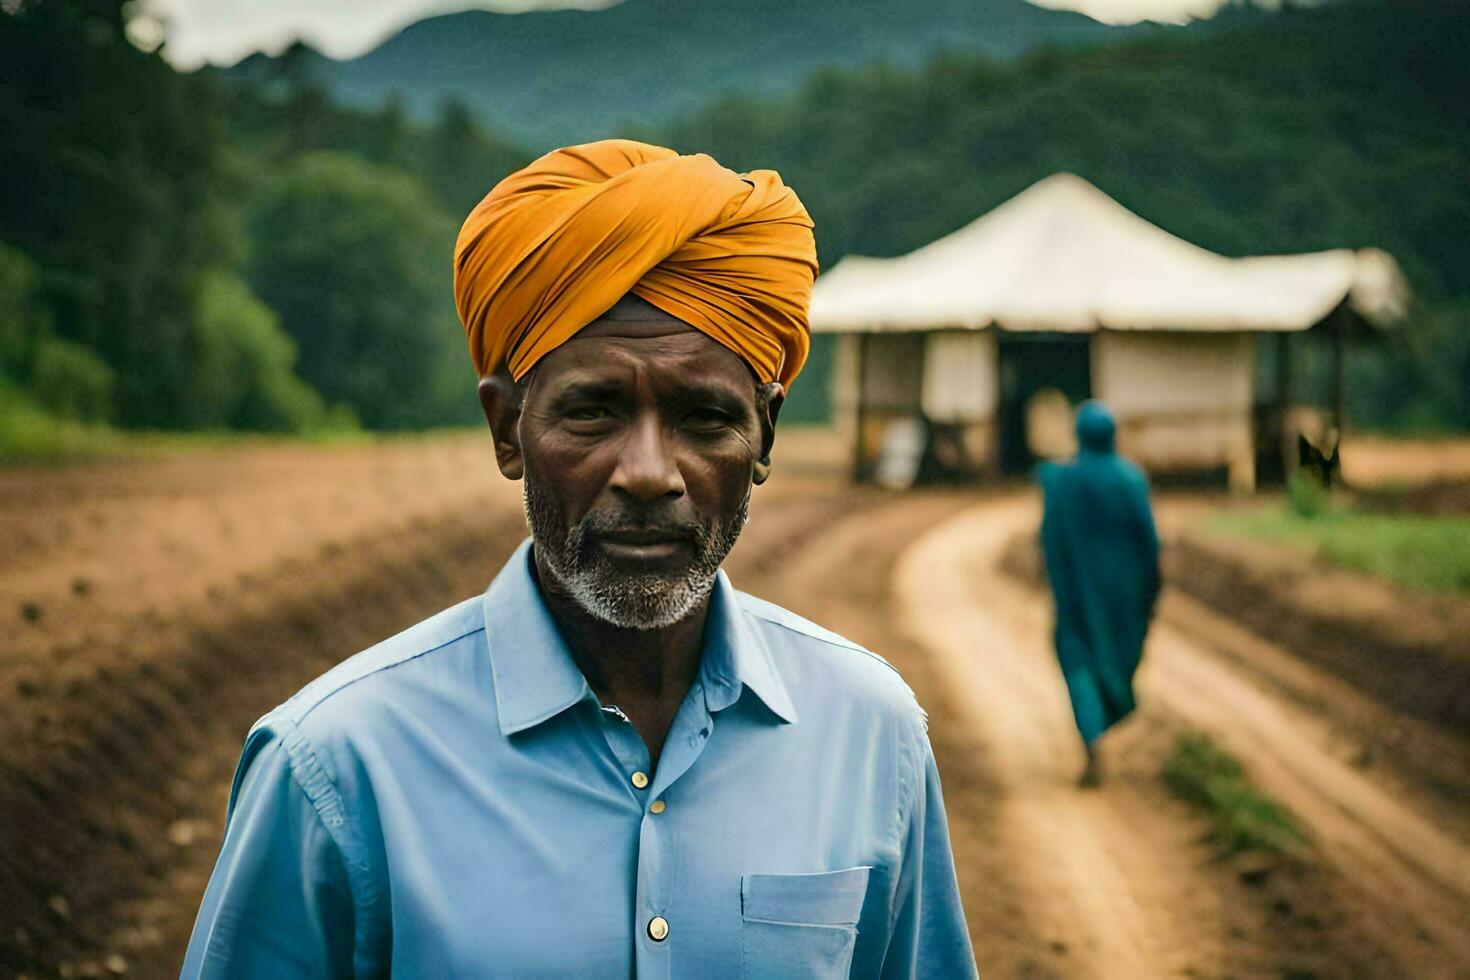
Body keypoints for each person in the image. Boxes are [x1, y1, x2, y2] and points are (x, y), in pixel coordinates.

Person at [182, 140, 976, 978]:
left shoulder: (869, 733)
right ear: (506, 430)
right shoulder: (337, 769)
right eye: (593, 412)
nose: (647, 473)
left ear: (764, 433)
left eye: (703, 418)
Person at [1038, 401, 1161, 788]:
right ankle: (1108, 717)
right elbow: (1149, 542)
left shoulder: (1061, 482)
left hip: (1077, 593)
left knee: (1079, 665)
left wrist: (1055, 582)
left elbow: (1049, 541)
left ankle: (1092, 742)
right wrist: (1151, 588)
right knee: (1117, 659)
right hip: (1124, 596)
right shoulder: (1131, 480)